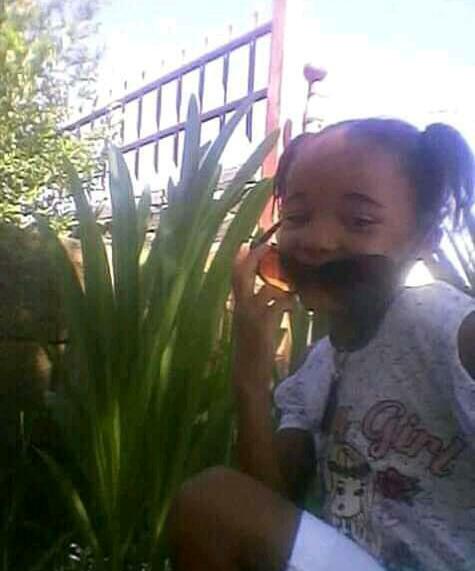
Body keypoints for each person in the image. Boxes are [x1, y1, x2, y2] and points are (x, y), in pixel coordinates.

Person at [167, 118, 475, 571]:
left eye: (359, 221)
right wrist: (250, 377)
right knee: (213, 506)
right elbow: (266, 502)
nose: (316, 240)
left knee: (209, 499)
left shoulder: (445, 328)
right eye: (297, 217)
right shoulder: (319, 369)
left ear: (425, 239)